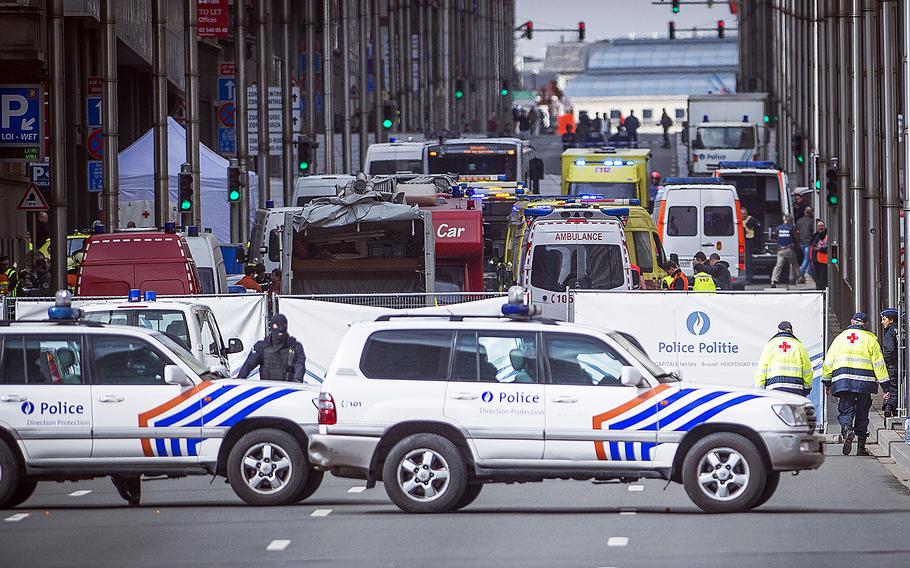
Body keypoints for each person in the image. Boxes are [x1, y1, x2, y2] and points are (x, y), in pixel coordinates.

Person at [822, 312, 889, 456]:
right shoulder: (871, 340)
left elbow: (828, 362)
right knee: (863, 412)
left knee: (846, 409)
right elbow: (879, 365)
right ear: (866, 324)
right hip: (865, 383)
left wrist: (827, 382)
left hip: (843, 380)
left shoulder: (840, 339)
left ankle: (847, 429)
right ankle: (861, 447)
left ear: (852, 321)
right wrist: (886, 387)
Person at [237, 313, 306, 382]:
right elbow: (249, 365)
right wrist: (238, 381)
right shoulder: (261, 346)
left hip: (289, 389)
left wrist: (297, 380)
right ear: (271, 326)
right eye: (276, 326)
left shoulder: (295, 347)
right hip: (268, 389)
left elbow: (300, 365)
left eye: (283, 325)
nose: (281, 329)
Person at [755, 321, 814, 396]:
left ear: (778, 331)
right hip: (795, 388)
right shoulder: (799, 346)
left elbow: (761, 371)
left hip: (774, 389)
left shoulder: (770, 345)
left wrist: (760, 391)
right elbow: (808, 371)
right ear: (791, 331)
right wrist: (807, 389)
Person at [771, 214, 802, 287]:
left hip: (780, 250)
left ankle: (774, 280)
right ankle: (800, 278)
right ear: (790, 220)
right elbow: (796, 239)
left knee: (778, 265)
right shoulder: (792, 228)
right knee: (795, 264)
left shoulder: (778, 228)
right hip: (789, 249)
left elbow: (775, 237)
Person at [880, 308, 899, 417]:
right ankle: (894, 407)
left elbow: (889, 349)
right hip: (899, 364)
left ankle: (889, 406)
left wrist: (886, 362)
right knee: (896, 386)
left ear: (891, 320)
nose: (882, 322)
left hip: (891, 364)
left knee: (891, 387)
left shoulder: (889, 332)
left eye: (884, 319)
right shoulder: (899, 330)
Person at [742, 207, 761, 285]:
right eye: (741, 214)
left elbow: (759, 225)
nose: (743, 215)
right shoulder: (737, 218)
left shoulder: (751, 219)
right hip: (740, 240)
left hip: (748, 241)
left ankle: (748, 278)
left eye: (744, 214)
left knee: (747, 260)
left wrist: (753, 225)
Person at [795, 206, 815, 280]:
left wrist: (798, 239)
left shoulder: (799, 221)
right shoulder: (811, 221)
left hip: (801, 242)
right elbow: (812, 231)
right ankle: (801, 273)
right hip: (808, 241)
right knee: (807, 258)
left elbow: (796, 231)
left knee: (808, 257)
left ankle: (810, 272)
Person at [810, 220, 828, 290]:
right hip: (816, 262)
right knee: (817, 280)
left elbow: (829, 248)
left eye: (822, 226)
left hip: (824, 262)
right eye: (819, 226)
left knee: (823, 280)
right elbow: (812, 248)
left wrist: (820, 249)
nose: (820, 227)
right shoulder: (815, 236)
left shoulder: (827, 236)